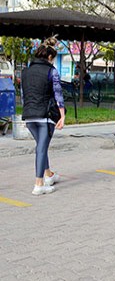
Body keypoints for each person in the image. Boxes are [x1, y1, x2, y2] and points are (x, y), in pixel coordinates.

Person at [20, 36, 66, 195]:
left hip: (29, 115)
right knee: (41, 148)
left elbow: (24, 95)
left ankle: (49, 175)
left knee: (41, 146)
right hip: (45, 116)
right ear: (49, 57)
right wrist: (62, 116)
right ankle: (39, 184)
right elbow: (58, 94)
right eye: (53, 59)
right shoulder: (51, 71)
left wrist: (27, 112)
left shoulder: (25, 71)